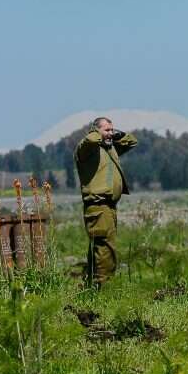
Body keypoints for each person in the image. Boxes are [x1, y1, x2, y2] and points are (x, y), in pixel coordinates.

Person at [74, 117, 137, 286]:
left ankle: (91, 285)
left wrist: (114, 135)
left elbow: (131, 141)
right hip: (98, 206)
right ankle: (103, 286)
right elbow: (90, 139)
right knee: (105, 249)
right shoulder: (87, 150)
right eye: (107, 130)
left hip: (108, 207)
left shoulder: (108, 149)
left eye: (112, 130)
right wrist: (99, 134)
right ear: (96, 131)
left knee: (99, 247)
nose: (111, 133)